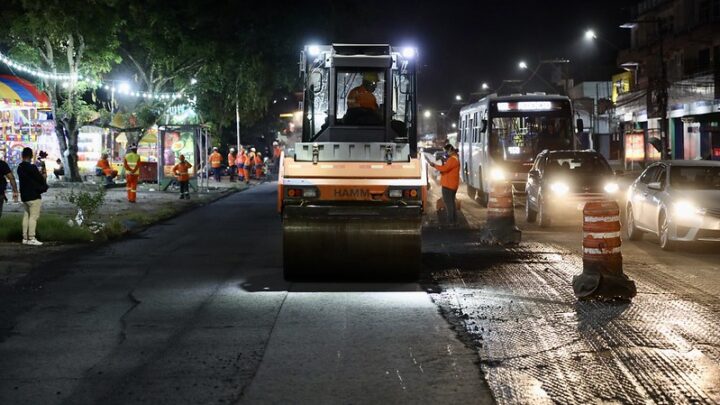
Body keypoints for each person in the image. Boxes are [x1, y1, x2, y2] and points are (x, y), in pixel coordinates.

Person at [17, 147, 48, 246]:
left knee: (26, 216)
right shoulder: (32, 168)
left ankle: (25, 238)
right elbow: (40, 179)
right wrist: (43, 175)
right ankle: (32, 238)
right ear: (31, 156)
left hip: (24, 196)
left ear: (22, 155)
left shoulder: (19, 168)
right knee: (33, 217)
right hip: (34, 196)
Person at [429, 144, 460, 225]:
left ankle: (451, 222)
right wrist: (444, 161)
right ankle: (454, 221)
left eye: (446, 151)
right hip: (452, 185)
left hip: (448, 185)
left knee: (448, 204)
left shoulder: (452, 159)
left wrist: (434, 165)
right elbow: (447, 167)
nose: (445, 153)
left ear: (450, 149)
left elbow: (444, 169)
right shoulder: (455, 158)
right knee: (452, 203)